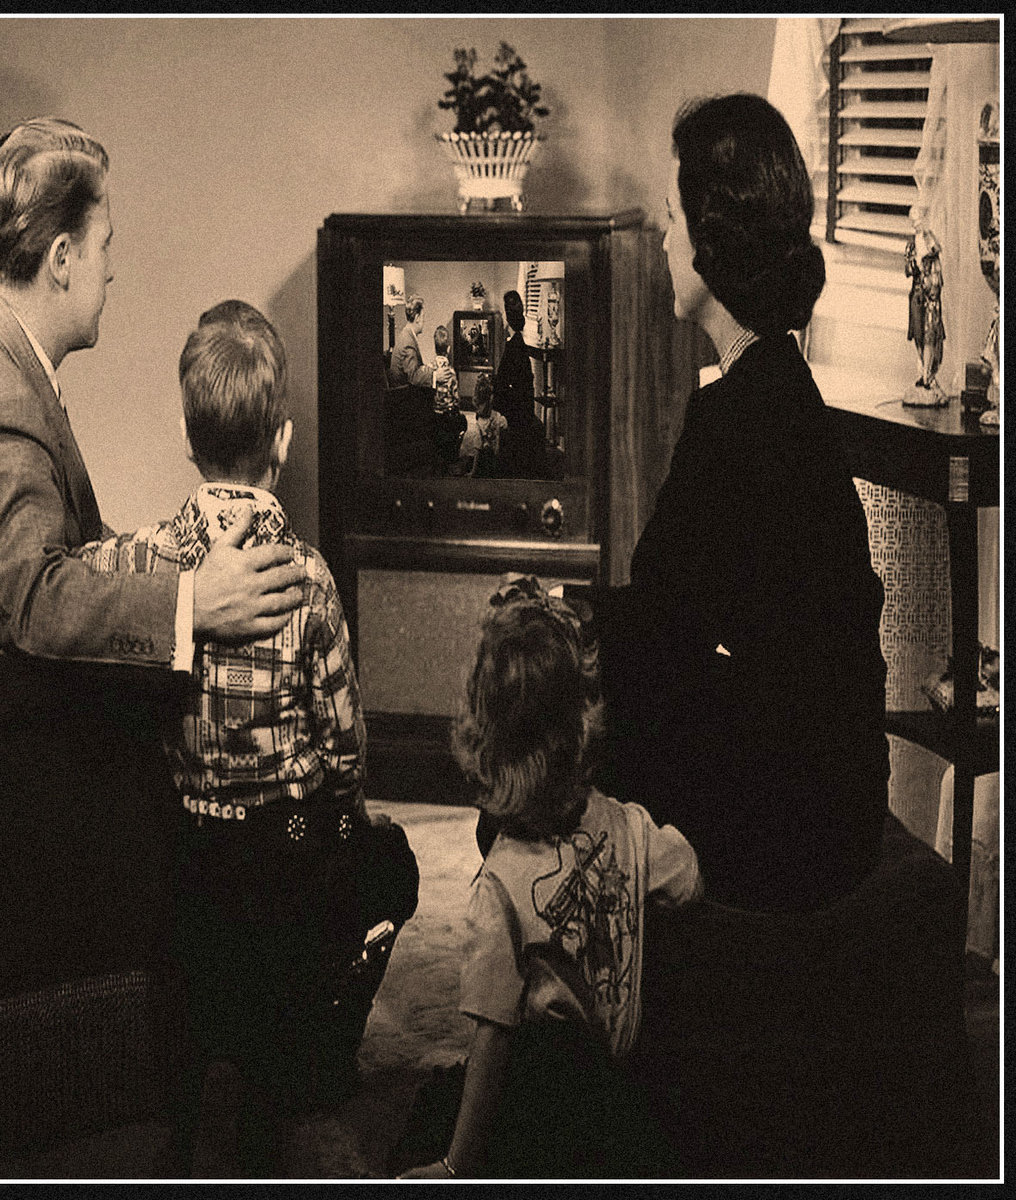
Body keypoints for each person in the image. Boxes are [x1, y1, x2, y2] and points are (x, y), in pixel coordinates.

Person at [74, 300, 420, 1175]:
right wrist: (348, 814)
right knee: (397, 867)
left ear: (185, 437)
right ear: (285, 441)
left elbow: (74, 580)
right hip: (287, 873)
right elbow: (344, 750)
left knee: (199, 980)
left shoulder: (141, 560)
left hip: (186, 867)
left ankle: (194, 1093)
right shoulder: (309, 579)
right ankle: (308, 1058)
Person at [0, 117, 303, 675]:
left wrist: (189, 564)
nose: (111, 271)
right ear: (62, 259)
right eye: (104, 245)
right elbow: (35, 606)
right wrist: (193, 601)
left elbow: (78, 551)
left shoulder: (0, 354)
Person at [596, 93, 890, 912]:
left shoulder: (740, 413)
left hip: (798, 824)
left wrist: (558, 618)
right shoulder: (778, 383)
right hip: (839, 792)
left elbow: (662, 623)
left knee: (538, 786)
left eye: (672, 219)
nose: (664, 240)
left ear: (712, 237)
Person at [396, 576, 702, 1179]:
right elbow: (688, 878)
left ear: (484, 737)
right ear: (584, 719)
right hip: (623, 1098)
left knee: (430, 1109)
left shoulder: (500, 887)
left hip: (542, 1111)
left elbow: (492, 1040)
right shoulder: (631, 825)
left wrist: (456, 1165)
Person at [493, 290, 545, 477]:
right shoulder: (518, 343)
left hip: (517, 415)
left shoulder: (514, 346)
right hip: (523, 409)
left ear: (507, 316)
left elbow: (503, 383)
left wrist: (496, 403)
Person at [388, 294, 453, 391]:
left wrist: (429, 368)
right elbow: (413, 377)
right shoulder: (407, 342)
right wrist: (435, 376)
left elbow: (414, 369)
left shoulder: (407, 334)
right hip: (404, 395)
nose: (424, 320)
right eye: (423, 316)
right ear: (417, 317)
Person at [431, 324, 467, 470]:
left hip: (435, 417)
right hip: (448, 418)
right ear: (448, 349)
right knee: (462, 422)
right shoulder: (451, 372)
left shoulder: (430, 369)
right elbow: (456, 398)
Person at [462, 372, 506, 478]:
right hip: (490, 457)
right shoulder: (486, 421)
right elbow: (479, 448)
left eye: (480, 406)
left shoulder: (497, 419)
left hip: (495, 456)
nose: (478, 409)